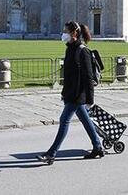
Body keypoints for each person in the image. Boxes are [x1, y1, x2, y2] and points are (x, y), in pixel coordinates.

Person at [37, 21, 103, 165]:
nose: (64, 34)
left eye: (66, 31)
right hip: (70, 92)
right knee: (86, 120)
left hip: (78, 94)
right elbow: (69, 75)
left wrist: (90, 99)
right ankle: (98, 147)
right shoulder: (70, 49)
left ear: (74, 33)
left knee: (64, 120)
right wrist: (64, 91)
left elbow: (88, 77)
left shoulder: (82, 50)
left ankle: (51, 154)